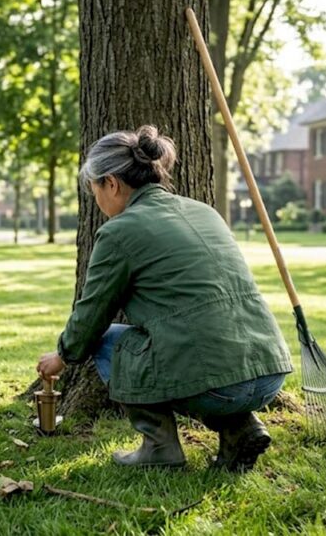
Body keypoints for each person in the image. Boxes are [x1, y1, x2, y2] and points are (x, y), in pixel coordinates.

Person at [36, 125, 292, 472]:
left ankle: (159, 448)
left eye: (93, 189)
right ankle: (240, 427)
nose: (95, 200)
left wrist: (62, 356)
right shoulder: (204, 211)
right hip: (270, 372)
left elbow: (91, 316)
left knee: (107, 340)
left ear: (111, 183)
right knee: (204, 355)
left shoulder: (119, 232)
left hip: (219, 386)